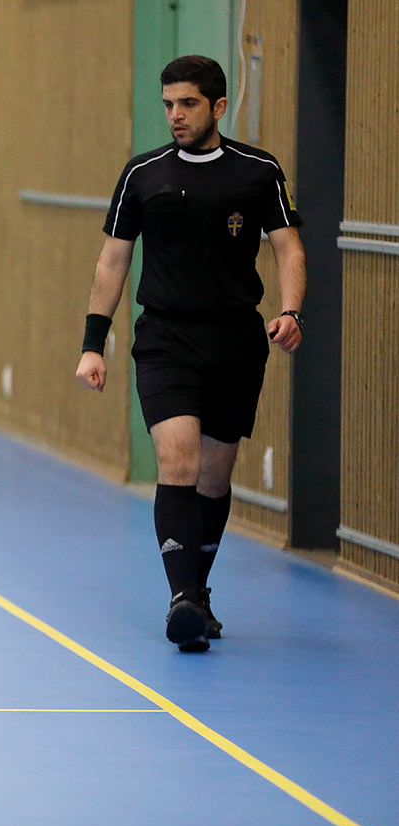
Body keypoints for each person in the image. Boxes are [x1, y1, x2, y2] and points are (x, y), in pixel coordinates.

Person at [75, 55, 306, 653]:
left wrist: (291, 310)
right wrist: (92, 344)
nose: (175, 115)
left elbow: (288, 247)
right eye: (168, 104)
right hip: (166, 339)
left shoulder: (258, 171)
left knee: (213, 473)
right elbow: (113, 260)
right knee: (176, 460)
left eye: (188, 104)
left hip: (235, 340)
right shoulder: (142, 174)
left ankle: (197, 594)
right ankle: (181, 600)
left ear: (218, 107)